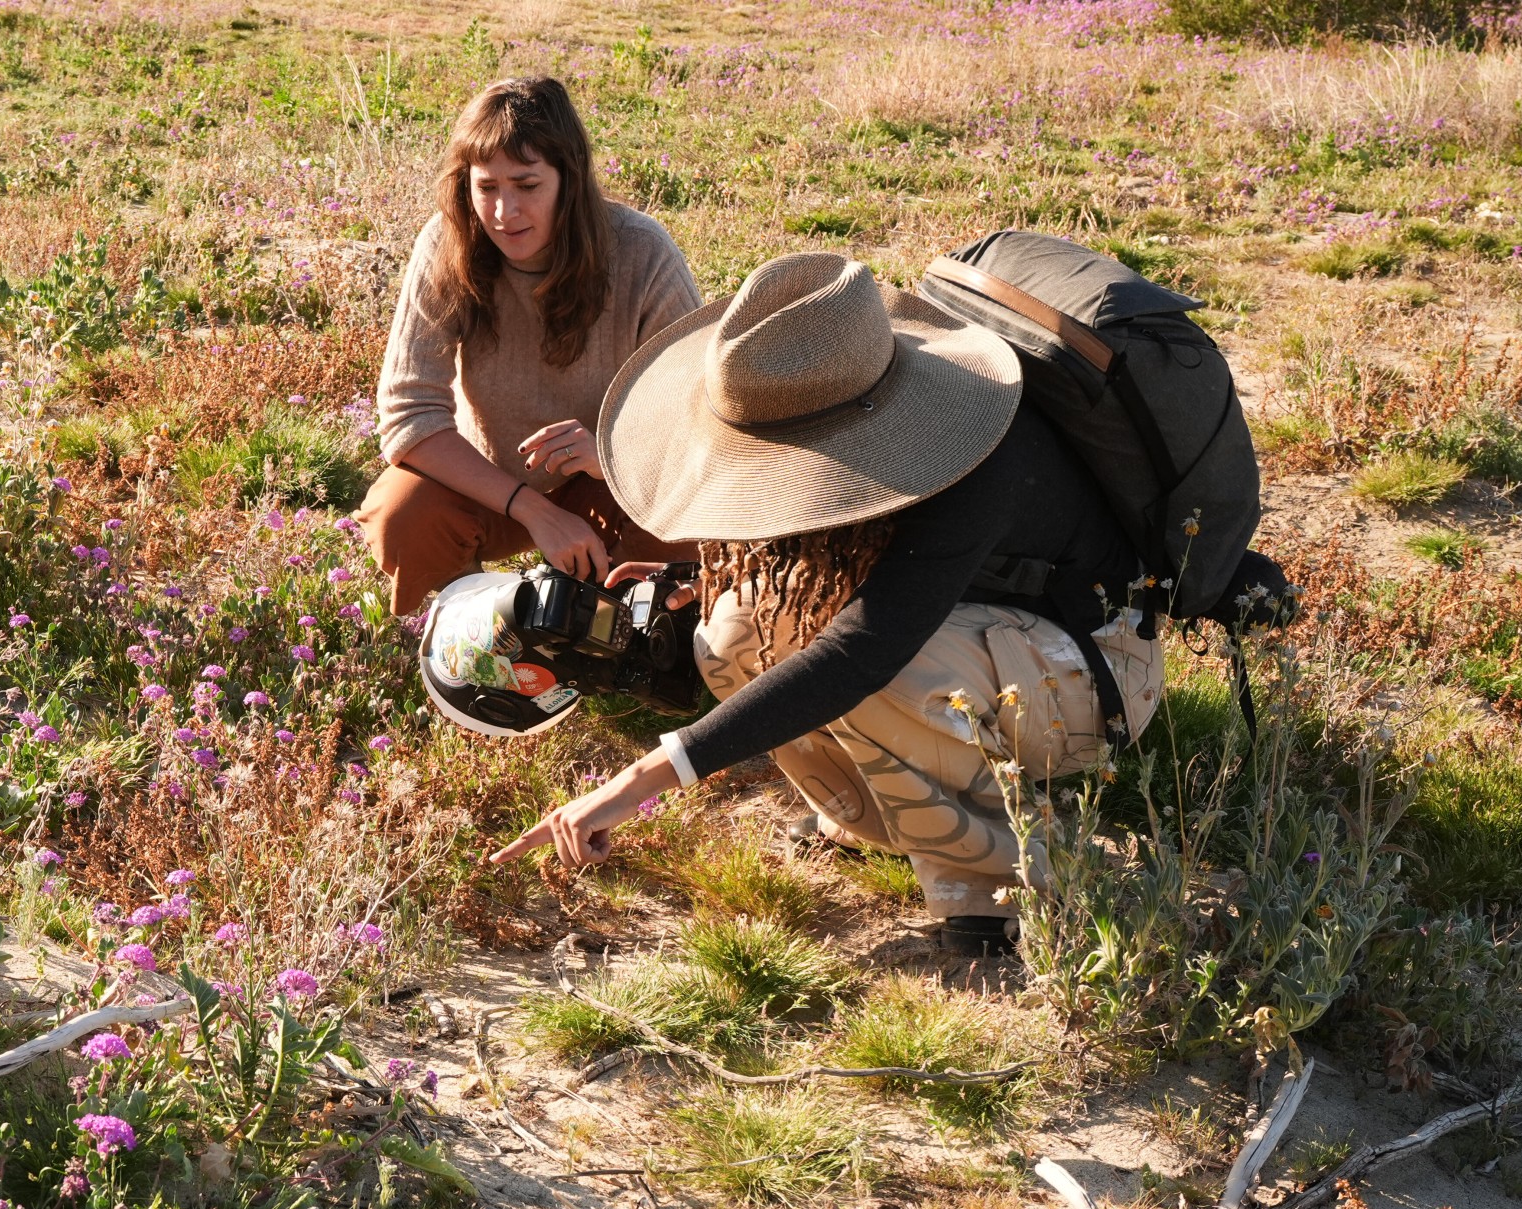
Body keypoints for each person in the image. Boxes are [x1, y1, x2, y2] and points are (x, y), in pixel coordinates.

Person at [489, 251, 1167, 955]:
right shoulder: (866, 412)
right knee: (733, 629)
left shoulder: (983, 454)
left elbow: (863, 649)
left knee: (886, 677)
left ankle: (1001, 877)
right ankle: (873, 815)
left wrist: (640, 780)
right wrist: (697, 573)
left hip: (1098, 668)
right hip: (983, 630)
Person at [359, 76, 704, 619]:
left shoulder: (642, 253)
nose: (504, 212)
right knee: (401, 515)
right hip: (489, 478)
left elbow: (699, 408)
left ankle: (617, 629)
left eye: (527, 184)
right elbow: (408, 414)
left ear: (569, 180)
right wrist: (532, 509)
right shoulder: (445, 244)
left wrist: (615, 455)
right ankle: (460, 628)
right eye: (487, 187)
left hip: (610, 483)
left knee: (688, 531)